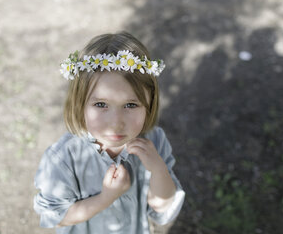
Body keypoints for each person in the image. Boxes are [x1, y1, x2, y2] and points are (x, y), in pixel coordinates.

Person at [33, 31, 185, 234]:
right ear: (80, 104)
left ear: (149, 104)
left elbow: (162, 206)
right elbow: (57, 217)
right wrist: (106, 198)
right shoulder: (63, 157)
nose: (116, 123)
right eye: (101, 104)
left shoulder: (154, 141)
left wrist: (158, 169)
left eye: (131, 105)